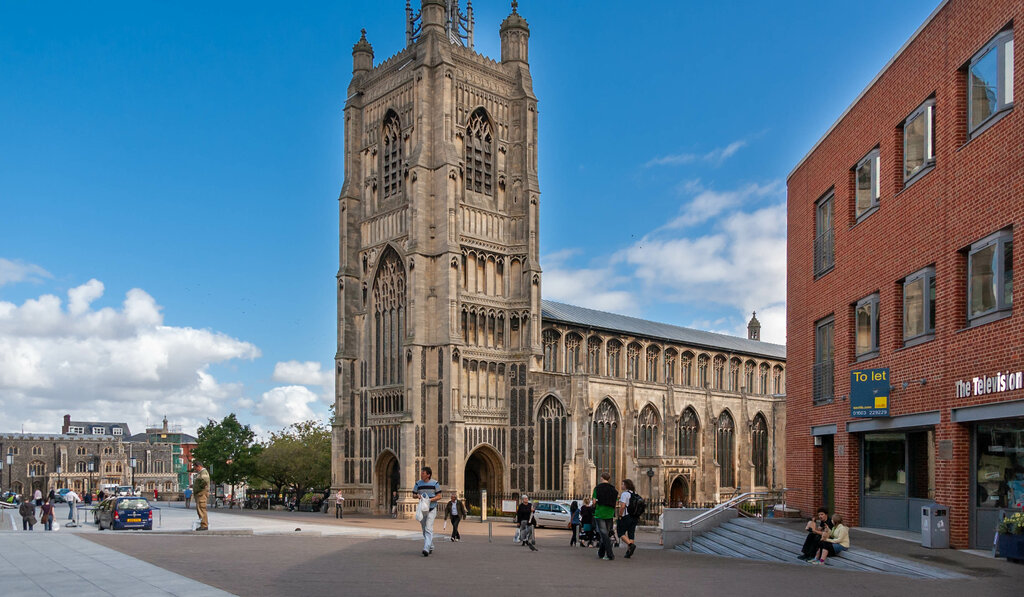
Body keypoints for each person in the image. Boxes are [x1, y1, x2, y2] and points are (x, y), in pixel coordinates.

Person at [412, 466, 442, 557]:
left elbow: (439, 496)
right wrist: (417, 496)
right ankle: (430, 546)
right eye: (421, 473)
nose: (421, 474)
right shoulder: (418, 483)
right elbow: (413, 494)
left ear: (428, 475)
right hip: (422, 510)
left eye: (423, 473)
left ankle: (426, 548)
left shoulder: (435, 483)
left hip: (432, 508)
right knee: (424, 529)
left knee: (428, 528)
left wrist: (430, 500)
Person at [593, 472, 617, 560]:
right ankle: (601, 553)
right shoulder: (613, 489)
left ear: (602, 478)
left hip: (600, 512)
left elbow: (594, 501)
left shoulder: (597, 488)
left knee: (604, 533)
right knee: (605, 533)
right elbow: (615, 501)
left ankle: (610, 554)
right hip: (610, 513)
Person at [616, 478, 639, 558]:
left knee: (620, 533)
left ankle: (630, 545)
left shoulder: (625, 494)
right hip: (634, 517)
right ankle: (629, 552)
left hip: (626, 516)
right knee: (631, 534)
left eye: (622, 484)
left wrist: (620, 515)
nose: (621, 485)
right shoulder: (635, 493)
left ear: (626, 485)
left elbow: (622, 506)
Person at [192, 460, 210, 531]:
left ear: (199, 466)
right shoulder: (201, 473)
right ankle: (202, 524)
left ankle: (204, 525)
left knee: (202, 509)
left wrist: (199, 488)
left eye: (195, 467)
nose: (195, 469)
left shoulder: (203, 472)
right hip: (200, 494)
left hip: (201, 494)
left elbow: (205, 481)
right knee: (200, 509)